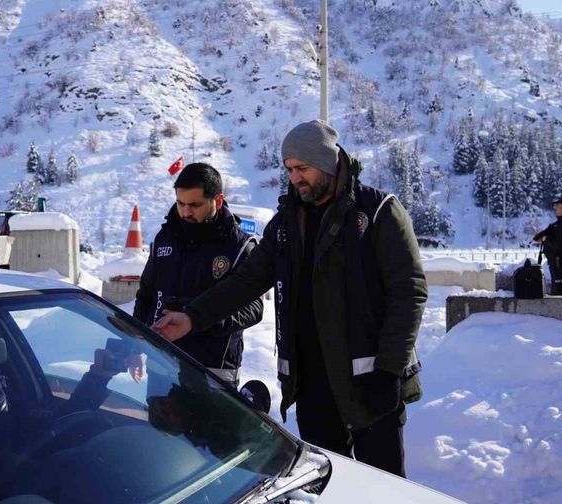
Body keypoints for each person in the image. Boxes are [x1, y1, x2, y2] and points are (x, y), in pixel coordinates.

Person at [153, 120, 427, 477]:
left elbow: (409, 292)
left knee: (384, 488)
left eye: (303, 168)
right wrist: (192, 317)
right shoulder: (285, 224)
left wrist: (389, 370)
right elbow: (246, 282)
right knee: (330, 486)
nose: (296, 178)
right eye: (289, 169)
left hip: (370, 383)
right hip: (312, 387)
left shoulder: (377, 213)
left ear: (327, 163)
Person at [134, 163, 264, 388]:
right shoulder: (164, 239)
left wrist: (198, 319)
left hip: (212, 370)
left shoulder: (240, 246)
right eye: (180, 203)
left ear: (218, 201)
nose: (185, 212)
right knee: (158, 424)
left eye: (195, 205)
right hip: (162, 361)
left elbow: (254, 309)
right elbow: (146, 295)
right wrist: (135, 343)